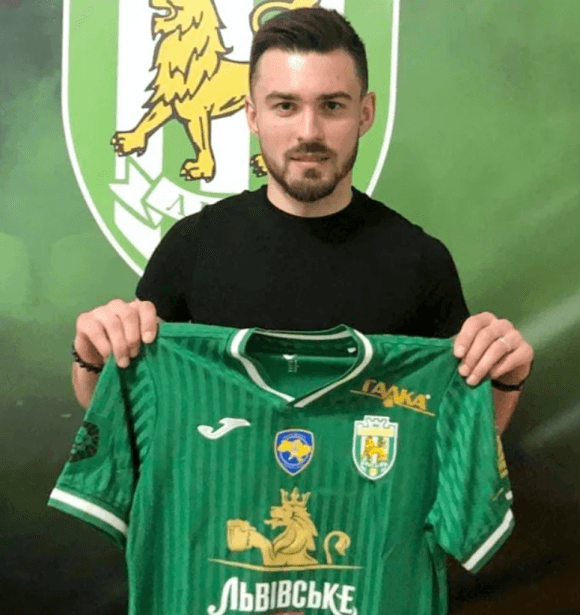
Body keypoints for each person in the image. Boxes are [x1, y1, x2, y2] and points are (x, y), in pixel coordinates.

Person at [72, 7, 533, 432]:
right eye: (286, 106)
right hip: (218, 498)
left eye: (332, 106)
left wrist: (504, 379)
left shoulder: (420, 262)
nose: (309, 132)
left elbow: (461, 434)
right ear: (253, 115)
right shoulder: (192, 246)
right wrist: (92, 358)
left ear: (365, 113)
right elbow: (125, 419)